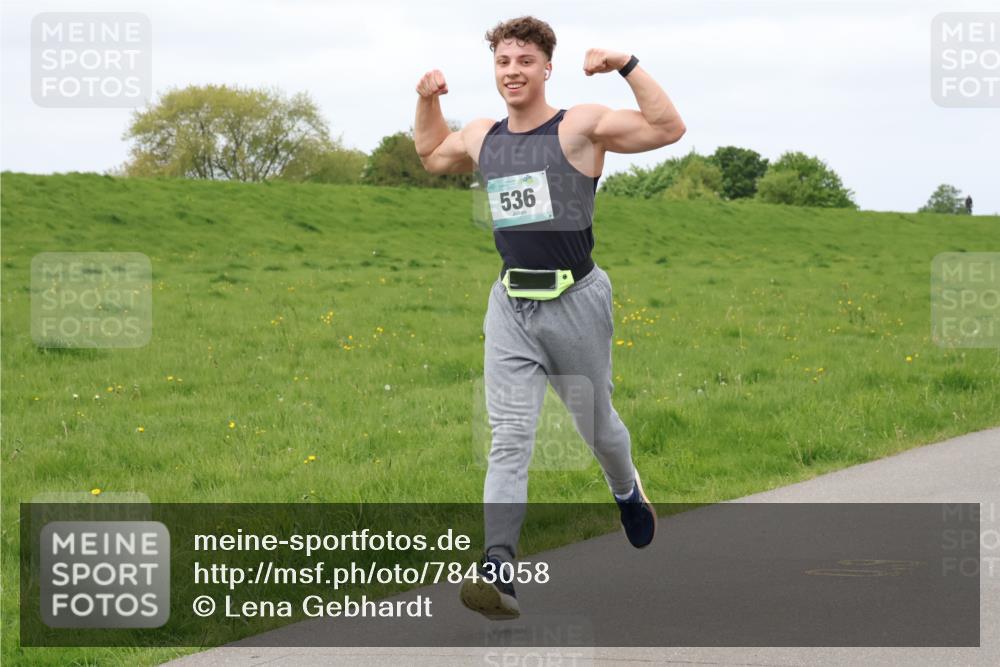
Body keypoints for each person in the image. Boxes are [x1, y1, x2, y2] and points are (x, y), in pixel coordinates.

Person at [414, 15, 685, 620]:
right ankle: (498, 568)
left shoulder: (580, 127)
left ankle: (627, 490)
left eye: (525, 61)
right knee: (509, 437)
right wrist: (426, 100)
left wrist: (626, 65)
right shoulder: (483, 136)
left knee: (597, 427)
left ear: (546, 68)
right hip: (511, 305)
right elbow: (430, 154)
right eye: (503, 62)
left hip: (575, 302)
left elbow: (668, 127)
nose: (512, 72)